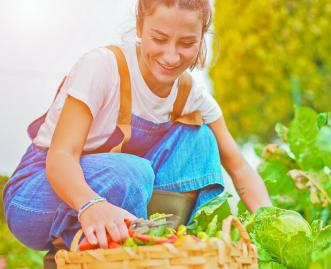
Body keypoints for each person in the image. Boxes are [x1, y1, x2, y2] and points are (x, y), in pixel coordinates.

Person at [2, 0, 272, 251]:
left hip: (120, 192)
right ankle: (76, 245)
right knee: (132, 172)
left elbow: (238, 166)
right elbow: (60, 157)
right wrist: (90, 204)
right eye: (160, 39)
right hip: (36, 196)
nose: (171, 56)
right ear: (141, 25)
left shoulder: (191, 95)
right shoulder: (103, 68)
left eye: (187, 43)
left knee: (200, 140)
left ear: (202, 37)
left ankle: (161, 246)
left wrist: (271, 223)